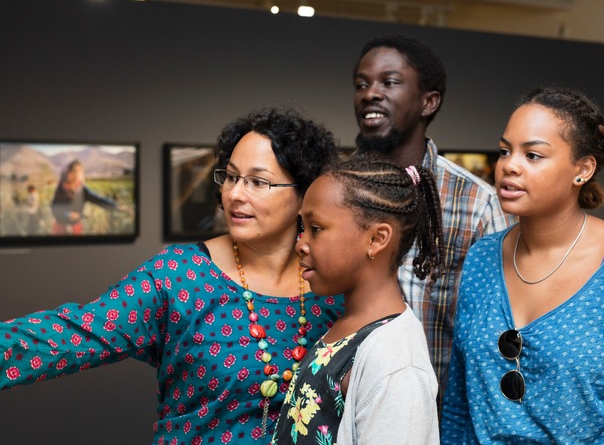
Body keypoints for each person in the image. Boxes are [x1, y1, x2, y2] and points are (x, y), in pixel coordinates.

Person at [1, 107, 344, 444]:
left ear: (305, 194)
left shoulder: (332, 287)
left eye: (257, 182)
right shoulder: (179, 276)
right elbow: (75, 332)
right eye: (231, 176)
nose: (235, 194)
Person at [440, 85, 604, 443]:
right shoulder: (481, 258)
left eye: (533, 155)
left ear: (583, 169)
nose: (509, 165)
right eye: (505, 151)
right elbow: (459, 403)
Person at [352, 33, 516, 407]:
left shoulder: (476, 202)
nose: (370, 94)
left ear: (429, 101)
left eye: (389, 82)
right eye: (361, 84)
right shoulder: (335, 192)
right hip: (348, 410)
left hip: (439, 415)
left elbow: (497, 328)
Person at [271, 154, 444, 445]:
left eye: (316, 229)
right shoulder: (349, 325)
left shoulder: (395, 361)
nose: (300, 243)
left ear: (376, 239)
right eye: (302, 228)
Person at [50, 159, 132, 235]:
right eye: (74, 171)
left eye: (79, 172)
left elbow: (98, 200)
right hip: (61, 227)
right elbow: (54, 208)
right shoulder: (62, 188)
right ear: (68, 173)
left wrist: (116, 206)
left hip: (75, 227)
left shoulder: (82, 189)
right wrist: (67, 214)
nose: (76, 174)